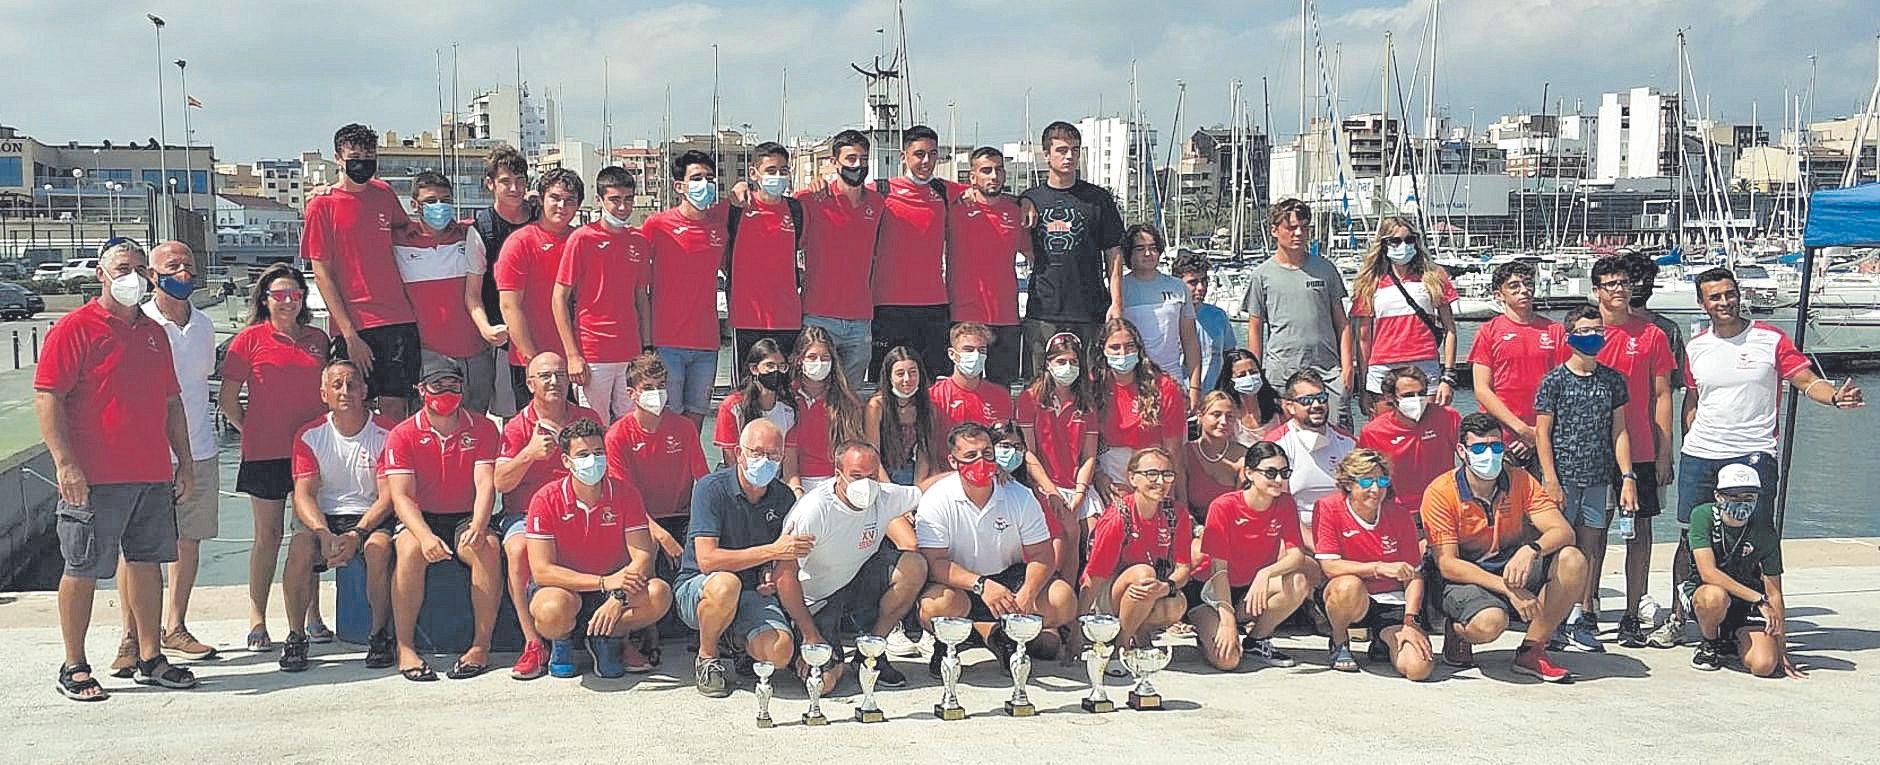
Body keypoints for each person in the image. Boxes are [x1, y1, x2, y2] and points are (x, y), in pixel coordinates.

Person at [38, 238, 198, 700]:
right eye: (121, 267)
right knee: (82, 566)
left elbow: (172, 402)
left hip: (150, 472)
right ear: (101, 276)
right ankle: (74, 664)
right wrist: (65, 464)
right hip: (93, 475)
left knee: (148, 564)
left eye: (138, 268)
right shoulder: (74, 328)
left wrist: (183, 461)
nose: (132, 276)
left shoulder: (154, 333)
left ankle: (150, 655)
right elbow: (48, 395)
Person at [1669, 267, 1863, 647]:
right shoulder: (1696, 346)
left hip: (1753, 452)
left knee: (1755, 535)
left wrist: (1835, 398)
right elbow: (1692, 401)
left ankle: (1758, 613)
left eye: (1729, 294)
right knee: (1688, 537)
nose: (1724, 302)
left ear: (1738, 295)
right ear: (1702, 303)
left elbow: (1805, 380)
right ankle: (1679, 617)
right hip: (1702, 454)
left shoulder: (1769, 338)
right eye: (1715, 297)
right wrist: (1686, 442)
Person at [1421, 413, 1587, 683]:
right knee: (1489, 624)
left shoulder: (1520, 480)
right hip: (1463, 578)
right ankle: (1458, 629)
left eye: (1496, 446)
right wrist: (1509, 589)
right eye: (1479, 448)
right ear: (1462, 451)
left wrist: (1530, 549)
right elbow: (1448, 564)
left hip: (1511, 566)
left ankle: (1532, 650)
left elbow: (1564, 532)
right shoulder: (1441, 492)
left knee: (1572, 559)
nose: (1489, 454)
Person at [219, 263, 332, 653]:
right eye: (278, 295)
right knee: (267, 537)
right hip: (264, 453)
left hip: (310, 454)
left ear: (303, 299)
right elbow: (228, 399)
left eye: (294, 295)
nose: (287, 301)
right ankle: (257, 619)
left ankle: (312, 616)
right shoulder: (247, 340)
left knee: (309, 537)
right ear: (264, 300)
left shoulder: (319, 339)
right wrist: (250, 428)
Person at [915, 423, 1079, 675]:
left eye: (987, 453)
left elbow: (1042, 555)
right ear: (953, 460)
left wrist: (1027, 595)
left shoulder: (1020, 495)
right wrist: (981, 585)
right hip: (961, 583)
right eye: (970, 456)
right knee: (935, 607)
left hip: (1009, 577)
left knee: (1062, 600)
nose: (981, 461)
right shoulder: (936, 500)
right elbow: (935, 563)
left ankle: (1004, 636)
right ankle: (947, 643)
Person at [381, 358, 504, 681]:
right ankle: (405, 646)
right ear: (422, 391)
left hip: (465, 514)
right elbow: (402, 496)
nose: (447, 393)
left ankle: (481, 645)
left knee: (487, 548)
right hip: (422, 517)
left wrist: (479, 523)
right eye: (439, 386)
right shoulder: (402, 434)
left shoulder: (484, 427)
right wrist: (423, 536)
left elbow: (485, 482)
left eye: (454, 386)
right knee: (409, 551)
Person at [523, 418, 673, 679]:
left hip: (615, 587)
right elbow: (542, 571)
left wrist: (618, 597)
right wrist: (603, 582)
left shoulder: (626, 493)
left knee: (659, 594)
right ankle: (562, 642)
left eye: (598, 452)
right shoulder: (545, 499)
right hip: (567, 590)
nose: (592, 460)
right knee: (550, 610)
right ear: (566, 461)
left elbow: (643, 556)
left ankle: (607, 638)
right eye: (582, 454)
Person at [773, 442, 927, 692]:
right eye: (856, 476)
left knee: (914, 565)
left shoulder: (885, 496)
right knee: (822, 684)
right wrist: (810, 633)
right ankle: (825, 657)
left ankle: (872, 652)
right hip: (815, 601)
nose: (865, 484)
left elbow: (923, 490)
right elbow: (784, 575)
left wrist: (974, 469)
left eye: (872, 476)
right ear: (838, 474)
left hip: (855, 583)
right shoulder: (813, 511)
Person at [131, 241, 219, 664]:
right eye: (172, 265)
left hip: (200, 449)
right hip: (147, 454)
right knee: (138, 550)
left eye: (188, 263)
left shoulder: (204, 326)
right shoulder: (137, 323)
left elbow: (200, 384)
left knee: (189, 543)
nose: (182, 271)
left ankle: (175, 626)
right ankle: (131, 636)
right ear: (151, 275)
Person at [281, 360, 399, 672]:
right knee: (299, 549)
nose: (345, 391)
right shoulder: (309, 435)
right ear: (324, 394)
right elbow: (303, 494)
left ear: (364, 390)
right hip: (324, 517)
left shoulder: (387, 432)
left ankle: (379, 634)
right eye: (337, 385)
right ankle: (295, 635)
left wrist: (357, 534)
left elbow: (388, 495)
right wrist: (323, 533)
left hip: (368, 515)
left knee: (378, 550)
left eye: (351, 384)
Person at [494, 352, 603, 679]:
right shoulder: (516, 427)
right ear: (530, 384)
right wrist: (527, 454)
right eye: (544, 376)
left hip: (580, 507)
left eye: (559, 374)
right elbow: (500, 481)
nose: (554, 381)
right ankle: (533, 643)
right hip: (527, 514)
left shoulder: (586, 417)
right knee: (517, 550)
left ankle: (616, 635)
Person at [1585, 256, 1675, 649]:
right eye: (1610, 284)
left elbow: (1662, 395)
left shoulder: (1652, 334)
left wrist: (1664, 452)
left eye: (1623, 283)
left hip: (1639, 449)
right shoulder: (1583, 334)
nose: (1619, 290)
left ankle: (1632, 612)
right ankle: (1585, 609)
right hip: (1592, 452)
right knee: (1592, 533)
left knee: (1638, 534)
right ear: (1596, 291)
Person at [674, 419, 800, 697]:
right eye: (756, 452)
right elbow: (707, 560)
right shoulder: (711, 488)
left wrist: (770, 572)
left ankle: (738, 641)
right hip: (699, 587)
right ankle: (707, 658)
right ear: (739, 453)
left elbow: (784, 557)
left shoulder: (785, 497)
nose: (764, 461)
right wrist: (772, 552)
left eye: (773, 455)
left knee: (779, 653)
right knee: (725, 585)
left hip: (753, 591)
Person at [304, 122, 419, 419]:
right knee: (355, 406)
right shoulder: (322, 205)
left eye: (369, 157)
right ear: (338, 159)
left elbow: (409, 232)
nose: (363, 164)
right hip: (354, 325)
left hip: (398, 319)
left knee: (396, 408)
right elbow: (322, 274)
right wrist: (350, 335)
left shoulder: (384, 193)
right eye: (355, 157)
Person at [1186, 442, 1313, 670]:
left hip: (1249, 589)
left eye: (1284, 473)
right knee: (1229, 661)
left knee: (1297, 581)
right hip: (1210, 592)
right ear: (1250, 473)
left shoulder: (1285, 503)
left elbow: (1297, 555)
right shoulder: (1224, 506)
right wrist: (1226, 621)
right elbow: (1219, 570)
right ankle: (1209, 629)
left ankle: (1257, 639)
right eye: (1271, 472)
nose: (1278, 479)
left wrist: (1266, 573)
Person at [1314, 449, 1432, 679]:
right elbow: (1330, 566)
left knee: (1419, 669)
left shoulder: (1399, 514)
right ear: (1348, 484)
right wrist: (1377, 567)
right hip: (1355, 600)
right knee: (1347, 585)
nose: (1376, 489)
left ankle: (1382, 641)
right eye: (1367, 481)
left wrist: (1410, 620)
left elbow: (1414, 575)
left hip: (1391, 600)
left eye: (1382, 481)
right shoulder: (1328, 507)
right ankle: (1340, 642)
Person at [1020, 120, 1127, 368]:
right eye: (1062, 150)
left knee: (1092, 386)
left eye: (1075, 150)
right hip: (1043, 312)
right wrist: (1023, 201)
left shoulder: (1098, 199)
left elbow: (1114, 254)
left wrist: (1117, 303)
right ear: (1046, 155)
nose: (1069, 156)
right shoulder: (1030, 199)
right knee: (1042, 386)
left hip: (1091, 310)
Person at [1243, 198, 1354, 428]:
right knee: (1284, 439)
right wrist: (1255, 374)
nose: (1299, 233)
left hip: (1327, 373)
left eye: (1304, 227)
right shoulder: (1261, 275)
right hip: (1281, 374)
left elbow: (1342, 323)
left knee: (1338, 436)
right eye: (1291, 227)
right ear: (1275, 230)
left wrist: (1347, 368)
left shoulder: (1325, 269)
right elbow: (1255, 328)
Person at [1684, 464, 1803, 677]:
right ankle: (1709, 643)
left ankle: (1732, 637)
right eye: (1734, 496)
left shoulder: (1764, 530)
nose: (1742, 502)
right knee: (1714, 597)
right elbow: (1708, 572)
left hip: (1745, 606)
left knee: (1764, 665)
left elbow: (1775, 592)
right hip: (1708, 593)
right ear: (1719, 497)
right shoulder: (1702, 516)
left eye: (1749, 496)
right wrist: (1759, 600)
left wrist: (1782, 649)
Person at [553, 166, 651, 422]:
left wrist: (647, 348)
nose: (622, 207)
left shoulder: (638, 242)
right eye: (615, 199)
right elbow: (559, 298)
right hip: (593, 352)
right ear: (599, 201)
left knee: (631, 424)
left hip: (631, 352)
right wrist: (573, 355)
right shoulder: (582, 239)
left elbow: (641, 298)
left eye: (628, 199)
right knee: (595, 424)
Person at [394, 171, 496, 414]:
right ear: (414, 205)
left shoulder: (472, 233)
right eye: (430, 201)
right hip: (428, 357)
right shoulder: (396, 239)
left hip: (476, 354)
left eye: (446, 200)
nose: (439, 206)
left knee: (475, 426)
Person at [604, 353, 711, 575]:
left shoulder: (685, 427)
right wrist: (661, 534)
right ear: (631, 394)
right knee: (649, 550)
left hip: (682, 516)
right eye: (649, 388)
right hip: (639, 520)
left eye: (661, 386)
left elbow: (703, 481)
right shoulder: (617, 436)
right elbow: (624, 498)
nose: (657, 393)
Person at [645, 150, 730, 428]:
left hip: (707, 343)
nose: (704, 184)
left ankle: (691, 473)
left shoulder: (719, 225)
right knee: (667, 420)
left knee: (695, 421)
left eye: (709, 178)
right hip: (667, 342)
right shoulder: (656, 225)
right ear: (678, 186)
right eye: (696, 178)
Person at [1081, 448, 1196, 648]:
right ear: (1132, 478)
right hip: (1108, 593)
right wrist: (1078, 627)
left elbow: (1183, 569)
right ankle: (1121, 644)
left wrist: (1165, 587)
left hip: (1150, 588)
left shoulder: (1177, 513)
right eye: (1152, 474)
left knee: (1174, 604)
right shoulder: (1119, 516)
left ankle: (1139, 632)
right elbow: (1094, 576)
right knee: (1144, 574)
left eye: (1167, 474)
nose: (1160, 482)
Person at [797, 129, 885, 386]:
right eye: (850, 159)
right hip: (818, 316)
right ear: (834, 163)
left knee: (850, 399)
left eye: (863, 158)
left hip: (861, 320)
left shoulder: (878, 204)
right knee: (812, 394)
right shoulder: (810, 200)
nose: (858, 165)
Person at [871, 125, 958, 378]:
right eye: (919, 154)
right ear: (903, 156)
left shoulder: (944, 191)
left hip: (934, 305)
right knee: (887, 382)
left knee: (934, 382)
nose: (927, 161)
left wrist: (1026, 201)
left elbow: (989, 193)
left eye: (933, 154)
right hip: (887, 305)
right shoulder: (880, 190)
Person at [1466, 260, 1567, 471]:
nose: (1524, 290)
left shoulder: (1554, 330)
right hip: (1502, 437)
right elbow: (1482, 390)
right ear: (1498, 295)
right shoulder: (1488, 331)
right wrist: (1521, 430)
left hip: (1545, 435)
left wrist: (1537, 433)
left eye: (1528, 284)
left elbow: (1564, 388)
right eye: (1514, 286)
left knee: (1547, 501)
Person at [1349, 216, 1458, 410]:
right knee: (1385, 432)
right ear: (1384, 244)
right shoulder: (1369, 283)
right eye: (1395, 240)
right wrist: (1364, 386)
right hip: (1382, 367)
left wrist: (1448, 377)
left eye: (1409, 240)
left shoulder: (1434, 277)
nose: (1403, 245)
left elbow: (1450, 329)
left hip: (1425, 364)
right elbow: (1363, 339)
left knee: (1427, 431)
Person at [497, 168, 581, 406]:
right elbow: (509, 306)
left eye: (570, 201)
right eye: (555, 198)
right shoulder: (520, 242)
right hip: (534, 364)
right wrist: (533, 361)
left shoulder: (582, 240)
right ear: (542, 198)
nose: (562, 206)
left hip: (577, 363)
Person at [947, 146, 1030, 384]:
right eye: (986, 170)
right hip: (965, 315)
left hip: (1006, 317)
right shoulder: (954, 208)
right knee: (963, 387)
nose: (994, 176)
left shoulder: (1016, 211)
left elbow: (1033, 254)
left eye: (999, 170)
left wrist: (1027, 201)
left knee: (1001, 391)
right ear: (972, 177)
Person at [1092, 318, 1187, 509]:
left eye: (1129, 347)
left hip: (1152, 466)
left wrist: (1175, 501)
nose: (1123, 353)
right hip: (1109, 468)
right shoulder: (1093, 386)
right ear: (1103, 350)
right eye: (1115, 348)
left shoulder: (1164, 387)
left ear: (1139, 349)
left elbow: (1173, 452)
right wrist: (1099, 476)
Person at [468, 144, 535, 418]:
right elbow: (472, 294)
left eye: (520, 181)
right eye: (505, 181)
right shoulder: (482, 229)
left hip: (546, 332)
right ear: (490, 184)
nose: (514, 188)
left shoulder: (540, 217)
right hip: (506, 340)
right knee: (514, 416)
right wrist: (485, 328)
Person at [726, 141, 805, 364]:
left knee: (785, 391)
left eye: (783, 171)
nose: (778, 176)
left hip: (788, 319)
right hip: (746, 319)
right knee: (747, 391)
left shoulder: (796, 210)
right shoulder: (736, 208)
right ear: (754, 173)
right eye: (771, 170)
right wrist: (738, 186)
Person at [1014, 331, 1104, 529]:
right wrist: (1049, 490)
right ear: (1048, 364)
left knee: (1098, 535)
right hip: (1044, 485)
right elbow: (1028, 453)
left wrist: (1080, 493)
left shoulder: (1086, 404)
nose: (1068, 368)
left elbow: (1089, 456)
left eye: (1073, 362)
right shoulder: (1029, 399)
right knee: (1066, 536)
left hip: (1079, 486)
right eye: (1061, 361)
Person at [1264, 371, 1356, 549]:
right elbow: (1276, 506)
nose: (1316, 405)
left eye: (1321, 398)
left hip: (1344, 531)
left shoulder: (1348, 442)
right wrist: (1320, 548)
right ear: (1289, 407)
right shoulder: (1276, 445)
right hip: (1296, 533)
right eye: (1306, 401)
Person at [1118, 224, 1204, 409]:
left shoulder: (1178, 287)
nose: (1148, 254)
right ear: (1128, 253)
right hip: (1131, 380)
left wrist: (1195, 387)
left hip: (1172, 379)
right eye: (1140, 248)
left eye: (1153, 248)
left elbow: (1190, 341)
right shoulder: (1119, 289)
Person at [1357, 365, 1462, 515]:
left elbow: (1470, 457)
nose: (1416, 400)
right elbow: (1363, 477)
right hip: (1398, 513)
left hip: (1445, 507)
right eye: (1408, 395)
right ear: (1389, 397)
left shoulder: (1448, 417)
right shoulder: (1373, 432)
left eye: (1421, 394)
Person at [989, 420, 1080, 585]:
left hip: (1025, 573)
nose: (1012, 452)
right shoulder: (979, 486)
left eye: (1018, 447)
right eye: (1004, 446)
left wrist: (1047, 575)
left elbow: (1055, 537)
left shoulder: (1031, 493)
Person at [789, 326, 867, 493]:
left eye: (825, 357)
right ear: (799, 360)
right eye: (812, 357)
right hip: (793, 482)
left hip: (835, 482)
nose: (819, 363)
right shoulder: (786, 398)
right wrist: (797, 491)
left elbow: (852, 451)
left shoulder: (847, 400)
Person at [714, 339, 801, 484]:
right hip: (737, 479)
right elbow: (731, 461)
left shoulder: (789, 410)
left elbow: (790, 468)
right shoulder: (732, 406)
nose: (776, 372)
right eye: (770, 366)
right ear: (754, 369)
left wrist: (797, 492)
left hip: (774, 482)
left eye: (781, 367)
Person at [866, 346, 940, 486]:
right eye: (900, 374)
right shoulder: (876, 406)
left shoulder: (927, 407)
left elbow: (924, 453)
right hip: (879, 473)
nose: (907, 379)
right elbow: (872, 453)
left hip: (910, 471)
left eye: (913, 373)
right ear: (889, 377)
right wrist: (891, 491)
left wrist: (917, 490)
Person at [929, 322, 1015, 434]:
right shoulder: (934, 396)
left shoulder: (1001, 395)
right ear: (952, 354)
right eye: (968, 349)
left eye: (982, 350)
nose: (976, 356)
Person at [1171, 250, 1238, 391]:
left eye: (1204, 281)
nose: (1201, 288)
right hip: (1180, 397)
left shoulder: (1219, 316)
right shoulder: (1170, 318)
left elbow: (1229, 355)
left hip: (1213, 398)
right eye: (1193, 282)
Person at [1185, 392, 1248, 523]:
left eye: (1229, 416)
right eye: (1216, 415)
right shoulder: (1184, 454)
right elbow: (1181, 505)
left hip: (1230, 526)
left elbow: (1241, 507)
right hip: (1192, 529)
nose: (1224, 421)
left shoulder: (1243, 456)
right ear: (1200, 416)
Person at [1217, 348, 1284, 444]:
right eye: (1241, 375)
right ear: (1230, 380)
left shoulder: (1279, 408)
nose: (1249, 377)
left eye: (1253, 372)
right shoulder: (1228, 414)